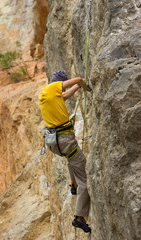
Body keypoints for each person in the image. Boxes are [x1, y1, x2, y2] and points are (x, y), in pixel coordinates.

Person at [39, 70, 92, 233]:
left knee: (72, 159)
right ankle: (79, 218)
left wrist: (77, 87)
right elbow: (78, 79)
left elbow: (66, 94)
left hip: (54, 143)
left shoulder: (46, 95)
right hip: (65, 140)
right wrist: (84, 85)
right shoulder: (54, 87)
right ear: (59, 83)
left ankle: (73, 184)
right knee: (86, 180)